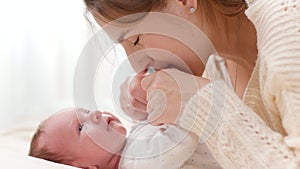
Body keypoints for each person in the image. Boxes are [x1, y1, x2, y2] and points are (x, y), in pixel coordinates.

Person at [83, 0, 300, 168]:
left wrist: (206, 105)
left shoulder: (288, 34)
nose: (135, 64)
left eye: (136, 40)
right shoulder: (215, 64)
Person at [29, 107, 222, 169]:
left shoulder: (131, 145)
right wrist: (187, 107)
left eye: (86, 111)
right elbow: (180, 142)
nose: (96, 113)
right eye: (80, 127)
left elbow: (148, 120)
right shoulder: (136, 162)